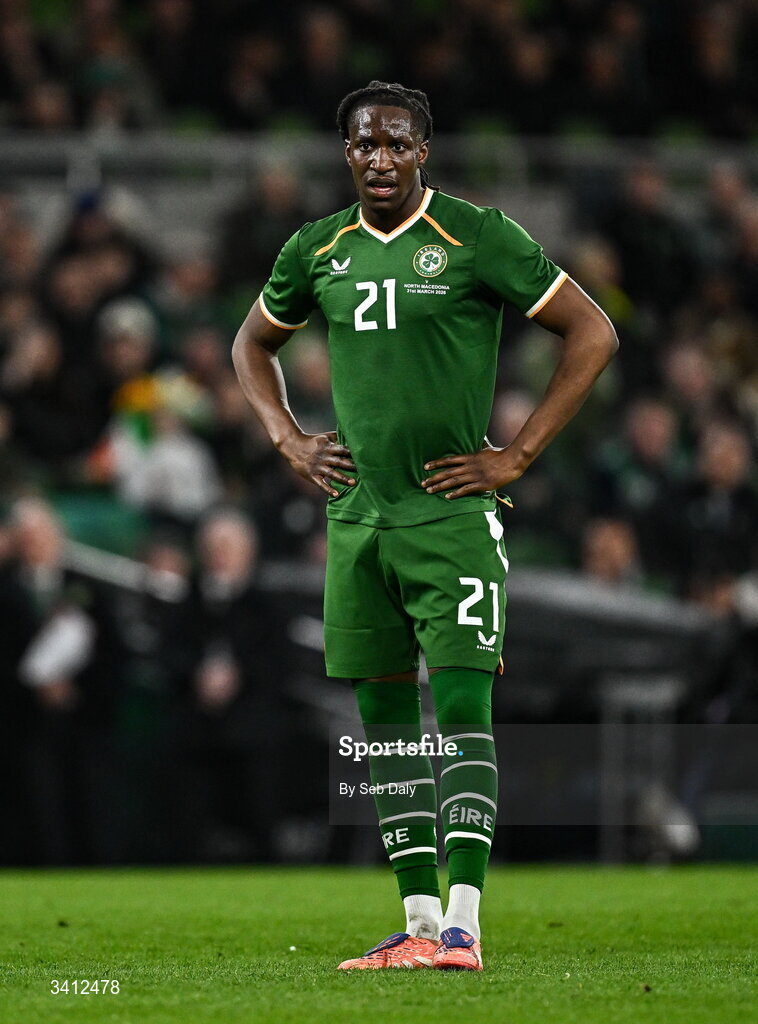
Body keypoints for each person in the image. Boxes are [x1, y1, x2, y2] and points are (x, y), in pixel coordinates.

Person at [232, 81, 617, 972]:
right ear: (346, 153)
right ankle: (417, 922)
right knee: (384, 723)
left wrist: (517, 456)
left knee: (464, 710)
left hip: (450, 518)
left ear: (423, 152)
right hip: (357, 518)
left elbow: (592, 332)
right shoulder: (315, 247)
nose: (381, 159)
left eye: (397, 143)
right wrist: (286, 437)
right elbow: (251, 343)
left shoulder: (477, 235)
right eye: (365, 144)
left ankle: (464, 928)